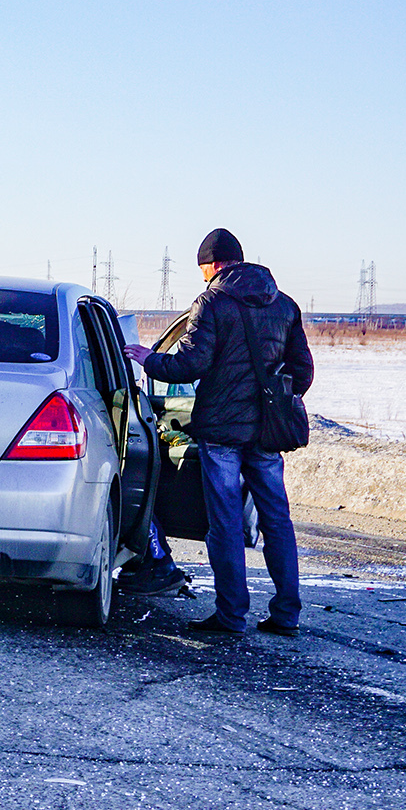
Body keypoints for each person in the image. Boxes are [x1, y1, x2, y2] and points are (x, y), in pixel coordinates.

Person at [124, 228, 313, 637]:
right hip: (266, 435)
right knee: (276, 520)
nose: (203, 276)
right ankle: (286, 615)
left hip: (222, 434)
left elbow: (189, 366)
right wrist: (273, 399)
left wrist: (150, 360)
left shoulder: (211, 302)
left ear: (212, 264)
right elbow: (304, 372)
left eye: (202, 268)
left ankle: (230, 616)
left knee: (224, 523)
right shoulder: (284, 304)